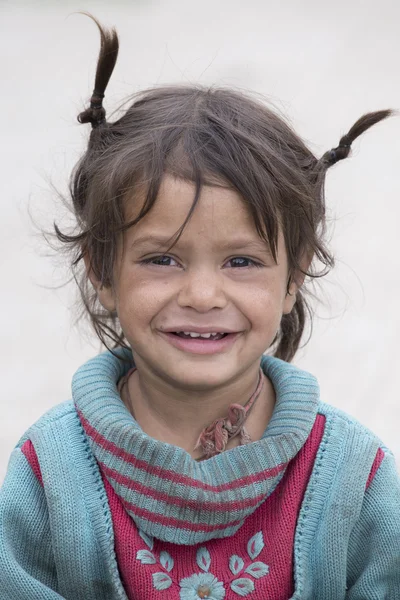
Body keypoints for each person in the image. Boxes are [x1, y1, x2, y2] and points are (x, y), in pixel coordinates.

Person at [0, 16, 399, 600]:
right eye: (162, 260)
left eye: (242, 262)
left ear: (293, 279)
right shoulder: (48, 472)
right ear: (101, 271)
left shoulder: (355, 479)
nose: (204, 295)